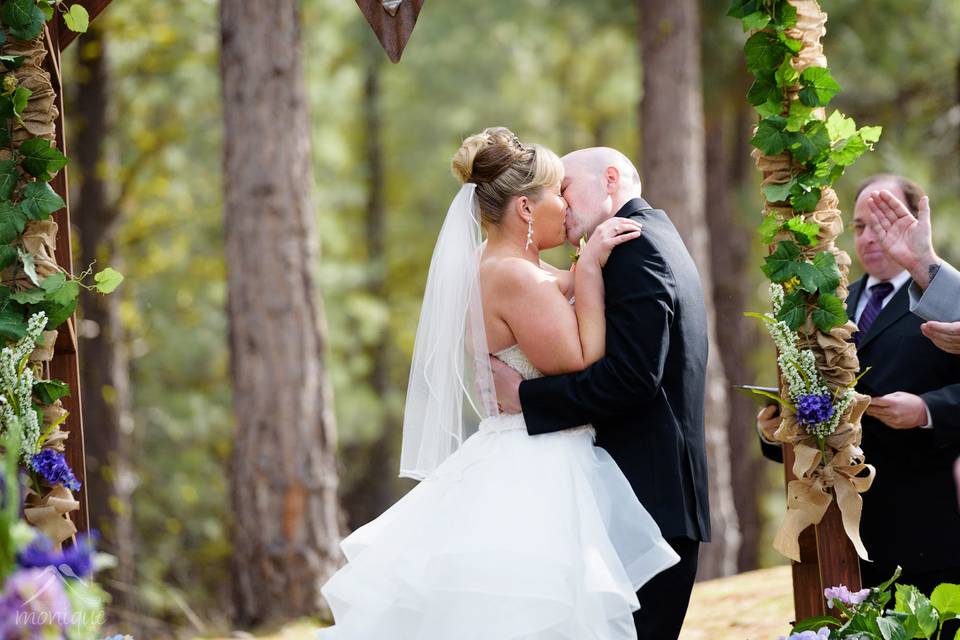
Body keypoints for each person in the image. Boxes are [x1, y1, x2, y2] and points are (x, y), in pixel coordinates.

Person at [317, 128, 679, 639]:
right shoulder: (513, 276)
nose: (566, 204)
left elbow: (558, 288)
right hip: (538, 469)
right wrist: (593, 265)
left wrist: (579, 269)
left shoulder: (513, 269)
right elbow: (582, 358)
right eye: (558, 193)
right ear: (527, 210)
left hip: (529, 449)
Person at [491, 147, 711, 640]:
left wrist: (528, 399)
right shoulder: (646, 237)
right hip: (651, 498)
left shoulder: (636, 247)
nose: (562, 204)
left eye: (566, 188)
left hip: (650, 503)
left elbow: (631, 379)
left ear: (609, 179)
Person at [757, 175, 960, 596]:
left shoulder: (943, 298)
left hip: (924, 520)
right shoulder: (828, 305)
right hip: (840, 533)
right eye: (859, 227)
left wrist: (928, 411)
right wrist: (774, 430)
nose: (868, 238)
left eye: (881, 224)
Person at [865, 188, 960, 350]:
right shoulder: (835, 299)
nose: (868, 238)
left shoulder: (933, 296)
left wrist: (921, 262)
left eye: (885, 220)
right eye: (859, 226)